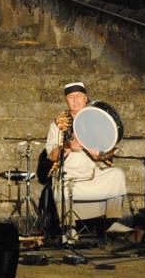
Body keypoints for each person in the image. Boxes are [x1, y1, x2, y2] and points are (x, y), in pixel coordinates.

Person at [45, 82, 131, 236]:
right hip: (69, 175)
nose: (75, 100)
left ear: (86, 98)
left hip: (92, 173)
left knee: (117, 174)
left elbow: (108, 153)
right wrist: (68, 146)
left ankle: (110, 222)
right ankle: (68, 228)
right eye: (71, 97)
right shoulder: (58, 124)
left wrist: (98, 155)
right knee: (60, 184)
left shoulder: (98, 121)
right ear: (67, 100)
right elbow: (51, 156)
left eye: (79, 96)